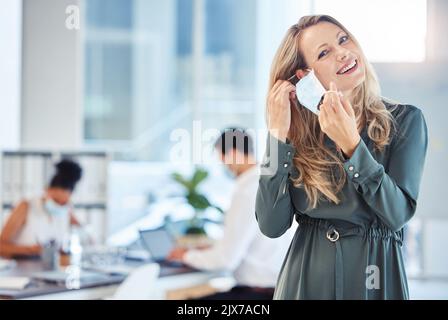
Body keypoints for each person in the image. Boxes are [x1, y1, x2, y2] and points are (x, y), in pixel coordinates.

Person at [255, 15, 428, 300]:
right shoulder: (297, 136)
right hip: (304, 284)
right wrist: (276, 137)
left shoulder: (406, 120)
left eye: (343, 39)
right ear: (304, 75)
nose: (343, 53)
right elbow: (271, 225)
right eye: (324, 53)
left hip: (376, 281)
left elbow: (397, 214)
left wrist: (351, 145)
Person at [168, 128, 293, 299]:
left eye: (223, 159)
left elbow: (226, 260)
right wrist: (210, 249)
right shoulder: (266, 182)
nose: (224, 166)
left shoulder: (247, 191)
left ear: (233, 153)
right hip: (276, 289)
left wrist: (185, 255)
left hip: (256, 293)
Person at [0, 159, 83, 258]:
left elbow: (83, 232)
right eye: (56, 200)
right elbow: (1, 247)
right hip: (22, 270)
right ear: (47, 190)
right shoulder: (26, 206)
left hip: (50, 270)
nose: (59, 205)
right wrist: (31, 250)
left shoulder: (66, 212)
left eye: (63, 203)